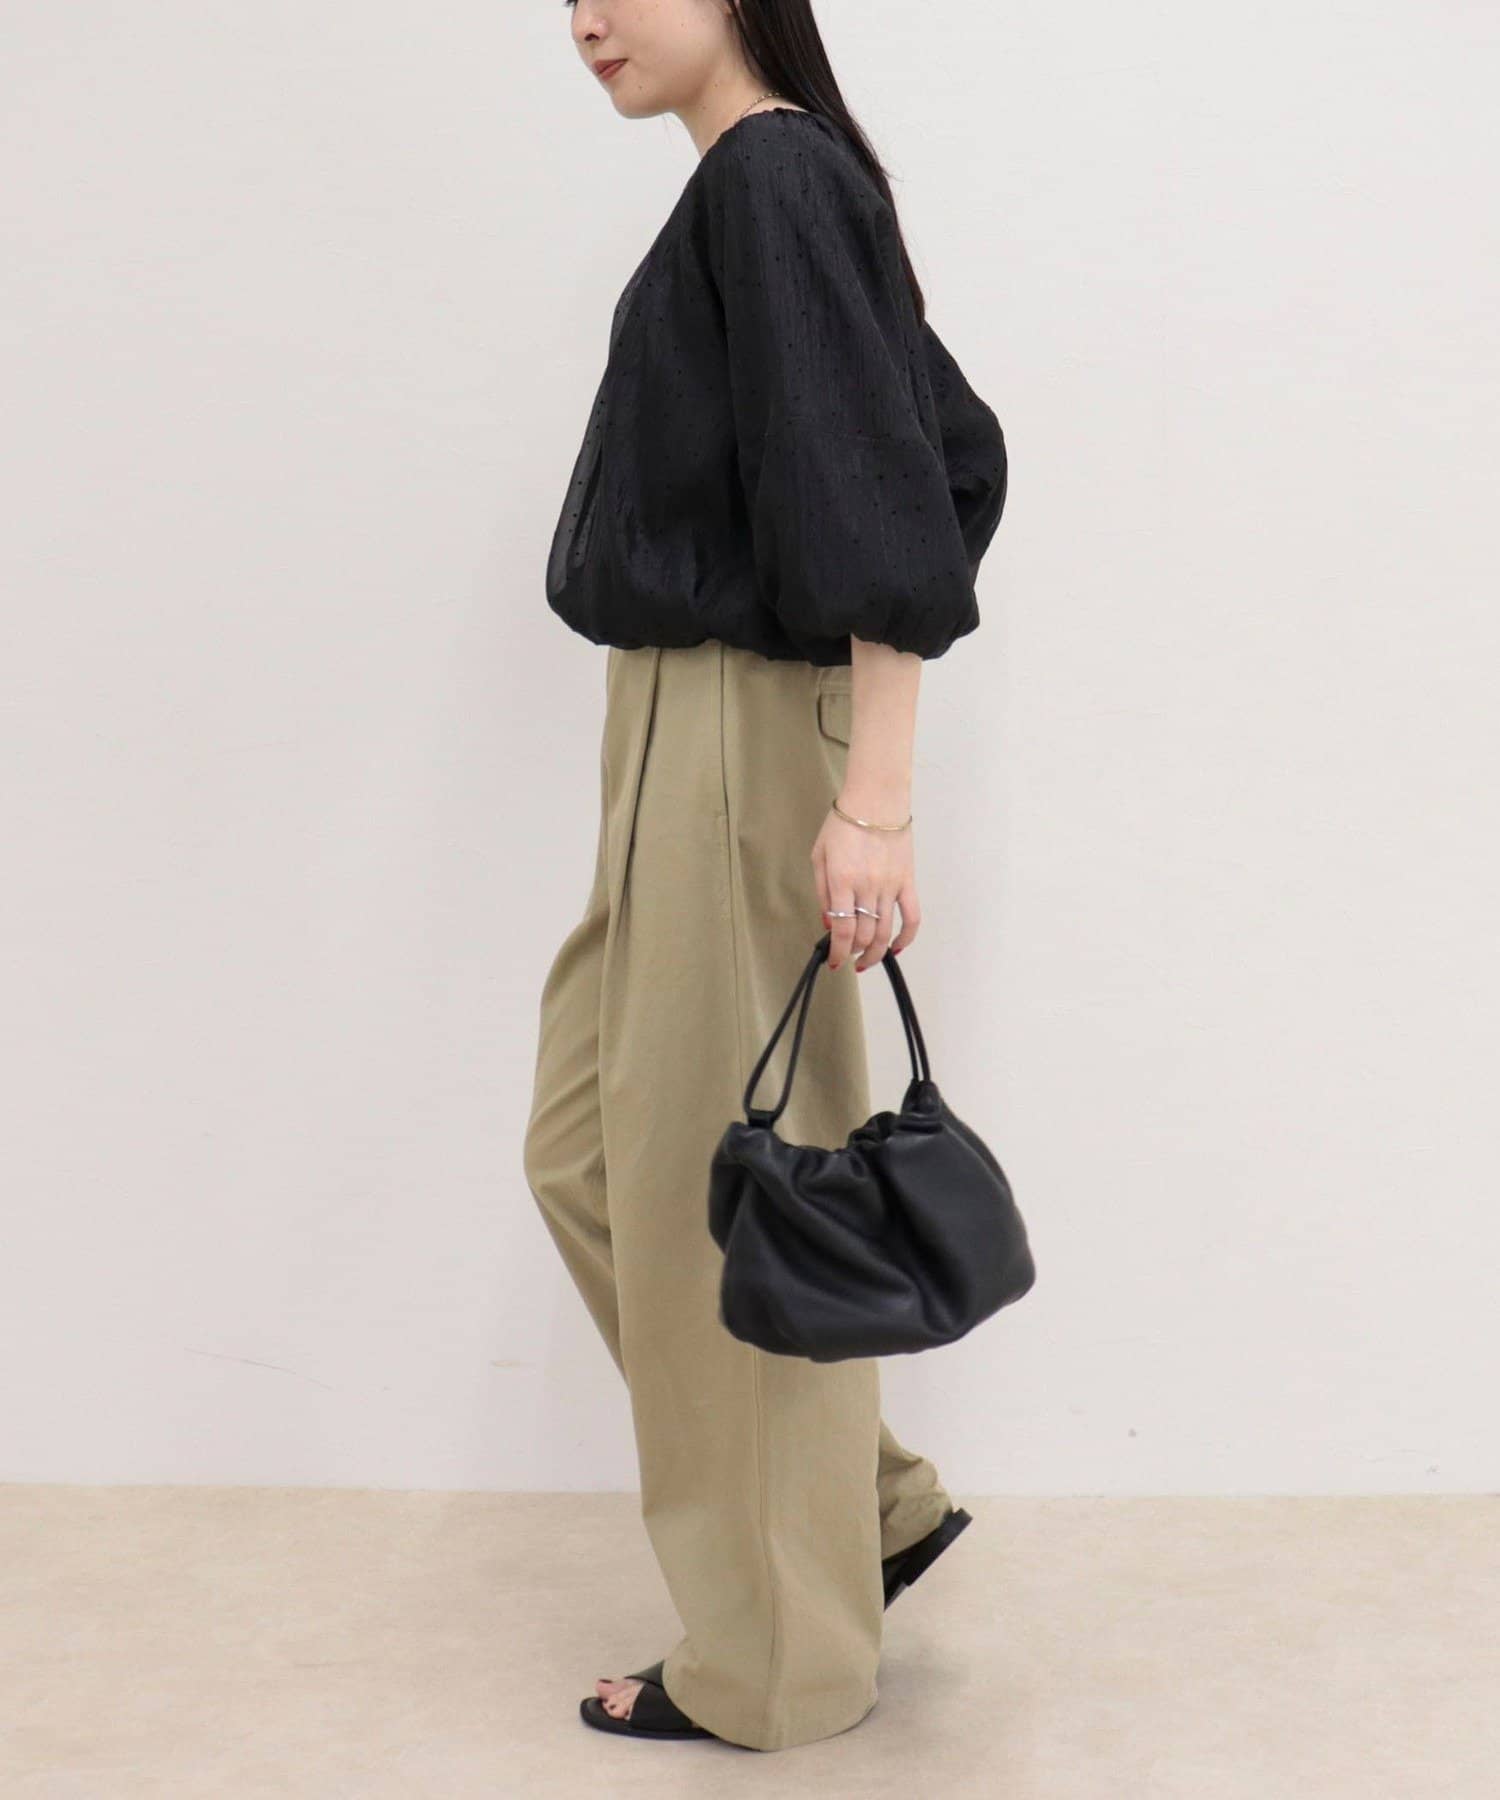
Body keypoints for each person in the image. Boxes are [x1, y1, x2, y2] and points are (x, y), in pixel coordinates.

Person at [523, 0, 1009, 1755]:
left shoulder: (772, 177)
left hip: (739, 728)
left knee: (700, 1195)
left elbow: (892, 490)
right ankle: (857, 1511)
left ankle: (781, 1662)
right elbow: (943, 434)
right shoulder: (759, 182)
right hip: (671, 721)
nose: (585, 18)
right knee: (594, 1158)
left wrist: (873, 798)